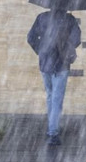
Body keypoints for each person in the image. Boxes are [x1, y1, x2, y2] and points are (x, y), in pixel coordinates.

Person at [27, 8, 81, 146]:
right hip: (61, 65)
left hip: (45, 64)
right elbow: (77, 39)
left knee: (51, 96)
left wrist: (42, 50)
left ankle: (52, 126)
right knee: (56, 98)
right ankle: (53, 133)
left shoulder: (42, 17)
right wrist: (65, 47)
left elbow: (30, 38)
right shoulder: (69, 19)